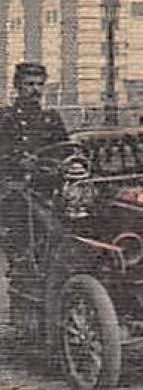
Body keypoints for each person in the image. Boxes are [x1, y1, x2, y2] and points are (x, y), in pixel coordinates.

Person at [0, 62, 71, 266]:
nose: (35, 90)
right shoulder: (6, 118)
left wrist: (60, 163)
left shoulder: (51, 118)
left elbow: (65, 149)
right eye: (29, 84)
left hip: (48, 186)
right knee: (29, 230)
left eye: (40, 85)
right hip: (15, 187)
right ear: (17, 86)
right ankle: (22, 272)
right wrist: (18, 162)